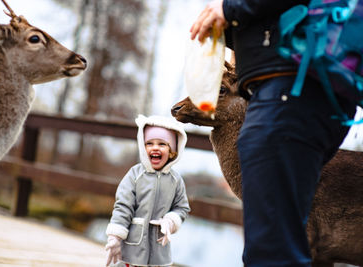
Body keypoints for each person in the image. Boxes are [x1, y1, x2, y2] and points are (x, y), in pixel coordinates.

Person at [190, 1, 356, 266]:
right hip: (300, 89)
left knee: (271, 251)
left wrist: (231, 8)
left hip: (289, 90)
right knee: (282, 238)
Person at [105, 114, 190, 267]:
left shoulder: (175, 180)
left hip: (159, 250)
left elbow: (182, 207)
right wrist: (115, 236)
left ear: (172, 151)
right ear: (143, 148)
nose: (155, 147)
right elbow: (123, 206)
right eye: (149, 143)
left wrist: (171, 221)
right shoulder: (135, 175)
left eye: (162, 144)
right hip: (132, 248)